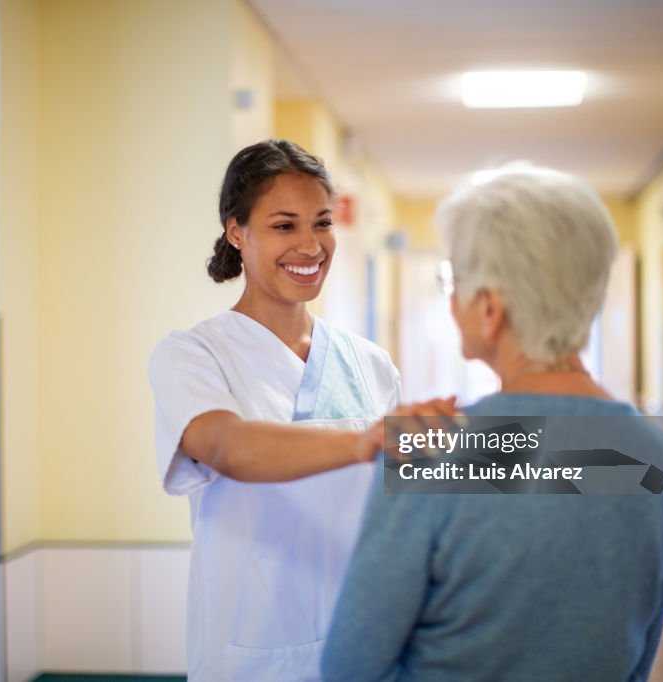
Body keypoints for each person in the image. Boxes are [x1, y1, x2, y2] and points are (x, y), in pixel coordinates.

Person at [322, 166, 663, 681]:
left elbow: (349, 666)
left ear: (490, 308)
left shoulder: (431, 450)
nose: (452, 300)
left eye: (454, 283)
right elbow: (638, 656)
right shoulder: (660, 454)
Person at [149, 139, 449, 681]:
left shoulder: (371, 364)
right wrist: (364, 440)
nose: (310, 246)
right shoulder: (193, 355)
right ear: (236, 230)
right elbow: (226, 446)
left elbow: (394, 509)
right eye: (284, 226)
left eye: (323, 223)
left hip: (362, 647)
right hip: (251, 655)